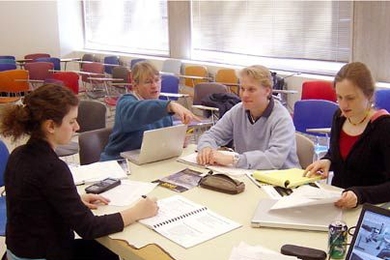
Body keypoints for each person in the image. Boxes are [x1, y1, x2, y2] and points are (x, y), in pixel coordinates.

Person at [0, 84, 159, 260]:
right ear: (51, 126)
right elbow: (89, 228)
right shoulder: (52, 167)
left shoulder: (18, 154)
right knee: (111, 253)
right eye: (71, 121)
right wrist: (137, 212)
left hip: (17, 253)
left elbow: (33, 204)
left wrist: (73, 201)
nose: (77, 126)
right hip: (43, 255)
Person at [304, 62, 390, 209]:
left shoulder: (383, 127)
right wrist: (328, 161)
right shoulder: (339, 117)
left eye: (350, 98)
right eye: (339, 97)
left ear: (368, 95)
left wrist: (359, 195)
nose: (343, 105)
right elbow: (337, 155)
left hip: (370, 208)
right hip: (339, 203)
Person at [196, 65, 300, 170]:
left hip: (282, 180)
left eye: (251, 89)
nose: (244, 95)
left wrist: (235, 160)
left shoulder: (281, 118)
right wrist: (206, 148)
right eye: (242, 88)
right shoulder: (237, 111)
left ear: (267, 91)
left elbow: (274, 159)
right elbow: (212, 135)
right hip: (249, 174)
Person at [101, 61, 198, 161]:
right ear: (135, 85)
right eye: (148, 82)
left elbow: (157, 143)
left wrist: (176, 142)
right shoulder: (125, 102)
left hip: (144, 162)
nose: (154, 86)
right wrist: (169, 105)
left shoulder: (163, 109)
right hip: (118, 163)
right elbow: (141, 111)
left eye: (157, 80)